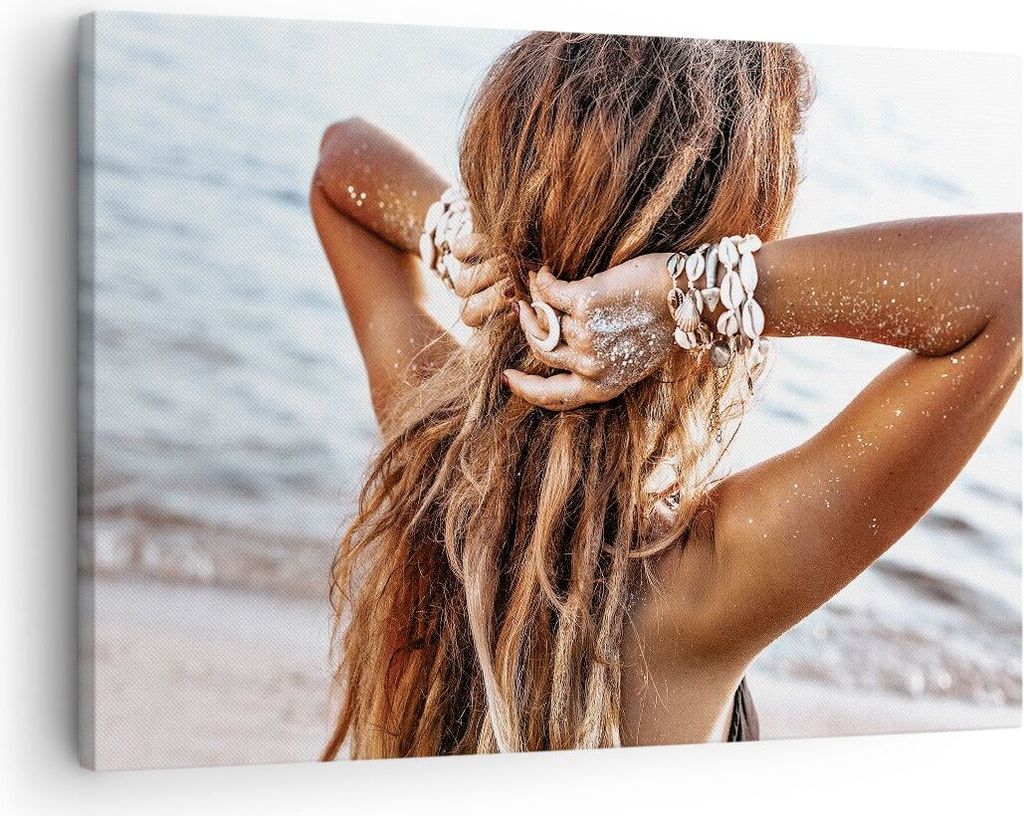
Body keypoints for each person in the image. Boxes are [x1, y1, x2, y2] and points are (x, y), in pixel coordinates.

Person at [310, 33, 1021, 759]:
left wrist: (462, 235)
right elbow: (1011, 282)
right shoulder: (705, 582)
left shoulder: (429, 451)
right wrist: (694, 295)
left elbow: (339, 164)